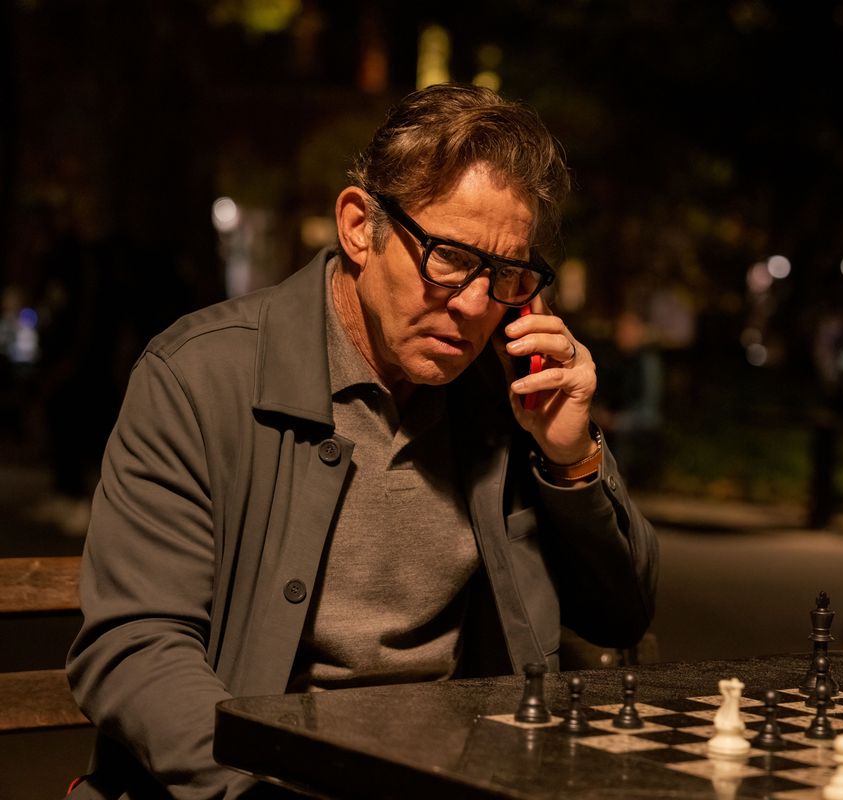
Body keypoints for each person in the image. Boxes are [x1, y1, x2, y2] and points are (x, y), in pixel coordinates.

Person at [66, 84, 659, 798]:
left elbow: (619, 615)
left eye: (505, 273)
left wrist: (571, 457)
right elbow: (135, 647)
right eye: (447, 256)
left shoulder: (503, 397)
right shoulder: (199, 376)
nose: (474, 304)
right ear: (357, 227)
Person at [592, 309, 664, 490]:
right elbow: (602, 394)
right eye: (621, 330)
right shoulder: (611, 359)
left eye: (630, 330)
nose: (624, 335)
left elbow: (649, 409)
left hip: (638, 422)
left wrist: (618, 421)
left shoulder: (647, 363)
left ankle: (619, 484)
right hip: (612, 420)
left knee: (621, 437)